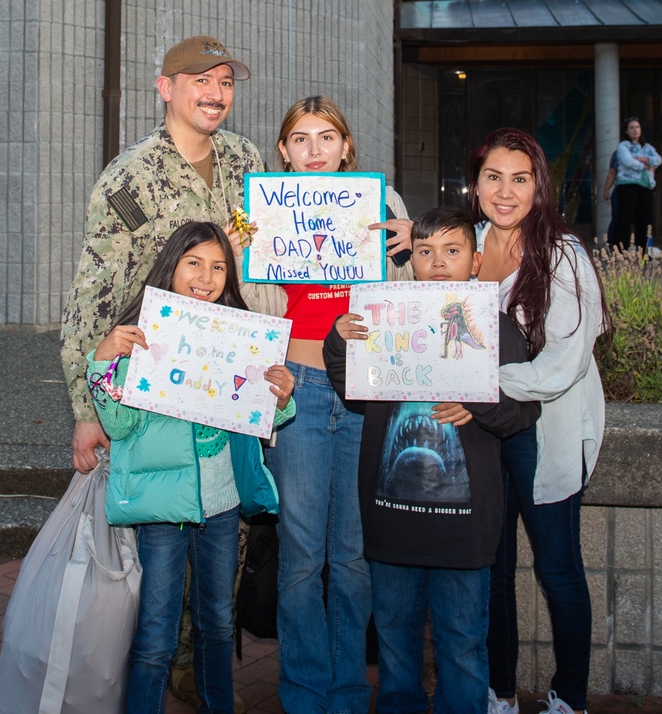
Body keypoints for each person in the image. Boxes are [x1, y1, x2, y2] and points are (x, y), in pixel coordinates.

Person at [59, 35, 263, 711]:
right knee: (159, 563)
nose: (214, 92)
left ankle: (194, 668)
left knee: (218, 568)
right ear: (164, 87)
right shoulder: (130, 178)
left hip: (229, 388)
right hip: (156, 402)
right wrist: (88, 411)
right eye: (199, 80)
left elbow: (263, 257)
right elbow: (92, 296)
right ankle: (160, 663)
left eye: (225, 82)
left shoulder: (246, 162)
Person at [323, 206, 541, 714]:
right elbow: (355, 395)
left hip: (464, 533)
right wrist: (338, 341)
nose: (438, 262)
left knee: (463, 648)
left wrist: (479, 401)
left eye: (452, 251)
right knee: (396, 652)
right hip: (391, 526)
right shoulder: (383, 321)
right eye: (425, 252)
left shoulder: (498, 327)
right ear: (411, 262)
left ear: (475, 260)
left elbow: (524, 411)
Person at [238, 96, 413, 714]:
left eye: (327, 137)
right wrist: (246, 242)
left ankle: (345, 692)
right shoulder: (259, 213)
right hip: (299, 392)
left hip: (362, 394)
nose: (315, 149)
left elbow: (410, 303)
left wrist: (408, 249)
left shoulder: (383, 205)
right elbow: (248, 304)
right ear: (283, 150)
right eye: (301, 139)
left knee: (354, 556)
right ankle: (306, 693)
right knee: (302, 553)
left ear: (346, 147)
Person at [87, 221, 296, 714]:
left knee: (217, 623)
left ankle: (216, 702)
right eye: (194, 263)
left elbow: (258, 417)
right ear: (171, 268)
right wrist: (101, 363)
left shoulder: (239, 333)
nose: (206, 276)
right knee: (157, 634)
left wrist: (281, 397)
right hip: (164, 508)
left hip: (222, 505)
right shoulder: (143, 333)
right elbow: (117, 424)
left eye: (219, 266)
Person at [465, 128, 611, 714]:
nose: (505, 191)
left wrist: (480, 381)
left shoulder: (563, 255)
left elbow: (563, 363)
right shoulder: (467, 243)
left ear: (537, 186)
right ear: (475, 186)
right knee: (491, 569)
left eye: (519, 179)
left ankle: (568, 696)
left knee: (557, 566)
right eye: (493, 177)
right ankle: (498, 691)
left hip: (543, 431)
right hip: (481, 432)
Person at [611, 117, 661, 248]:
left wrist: (644, 158)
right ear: (626, 131)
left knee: (645, 220)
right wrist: (642, 165)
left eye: (637, 127)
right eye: (632, 127)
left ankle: (643, 251)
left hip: (645, 186)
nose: (635, 130)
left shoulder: (647, 147)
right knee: (624, 219)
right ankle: (621, 250)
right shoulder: (623, 146)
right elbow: (627, 161)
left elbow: (657, 160)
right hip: (627, 185)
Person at [601, 150, 618, 245]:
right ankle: (612, 244)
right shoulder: (618, 153)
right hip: (622, 189)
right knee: (617, 217)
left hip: (641, 189)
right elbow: (612, 172)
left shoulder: (646, 151)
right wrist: (606, 190)